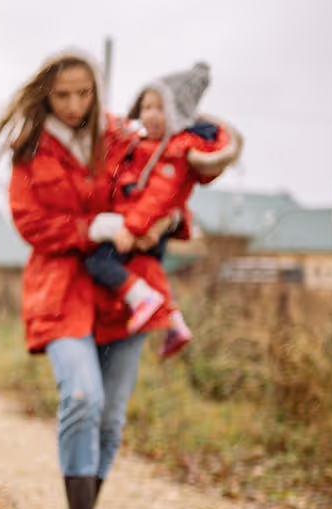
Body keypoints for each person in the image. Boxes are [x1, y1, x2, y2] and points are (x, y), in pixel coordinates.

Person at [0, 49, 193, 509]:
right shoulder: (30, 148)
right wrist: (90, 228)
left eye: (84, 93)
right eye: (63, 95)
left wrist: (169, 221)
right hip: (60, 291)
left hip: (125, 290)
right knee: (82, 397)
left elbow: (161, 183)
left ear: (96, 91)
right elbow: (30, 223)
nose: (75, 104)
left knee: (111, 417)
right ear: (46, 95)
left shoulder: (124, 137)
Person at [82, 61, 241, 357]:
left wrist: (132, 228)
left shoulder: (172, 153)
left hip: (137, 226)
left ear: (177, 114)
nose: (150, 115)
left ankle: (143, 300)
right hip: (137, 224)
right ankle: (174, 321)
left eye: (159, 108)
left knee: (99, 263)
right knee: (148, 270)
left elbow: (158, 197)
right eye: (146, 107)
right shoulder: (140, 146)